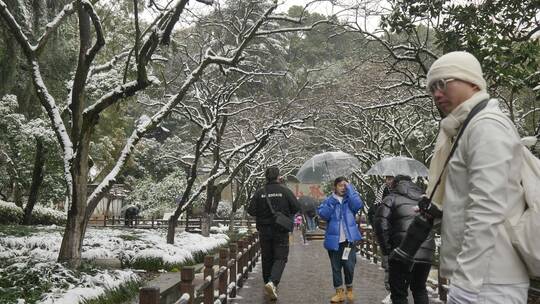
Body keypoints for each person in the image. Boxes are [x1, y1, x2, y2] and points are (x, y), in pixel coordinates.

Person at [425, 51, 529, 303]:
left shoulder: (486, 126)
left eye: (442, 83)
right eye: (432, 88)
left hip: (491, 281)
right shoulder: (469, 127)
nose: (437, 94)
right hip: (486, 279)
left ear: (472, 82)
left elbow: (487, 206)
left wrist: (467, 285)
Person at [373, 175, 435, 304]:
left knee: (399, 294)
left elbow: (380, 225)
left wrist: (387, 251)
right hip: (426, 251)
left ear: (395, 184)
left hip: (402, 251)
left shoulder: (391, 199)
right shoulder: (424, 198)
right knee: (419, 289)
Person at [247, 166, 301, 301]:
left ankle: (268, 284)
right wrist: (284, 212)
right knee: (280, 257)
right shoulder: (285, 191)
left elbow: (251, 211)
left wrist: (263, 213)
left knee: (267, 257)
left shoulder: (260, 192)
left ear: (266, 177)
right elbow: (296, 207)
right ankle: (273, 282)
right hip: (280, 229)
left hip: (264, 230)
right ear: (278, 177)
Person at [317, 176, 364, 303]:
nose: (343, 188)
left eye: (345, 185)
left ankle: (349, 289)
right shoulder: (329, 200)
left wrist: (351, 189)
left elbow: (359, 205)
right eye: (340, 185)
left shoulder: (350, 201)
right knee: (336, 267)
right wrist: (332, 202)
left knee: (349, 266)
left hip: (348, 240)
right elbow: (323, 214)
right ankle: (339, 293)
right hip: (334, 241)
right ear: (335, 187)